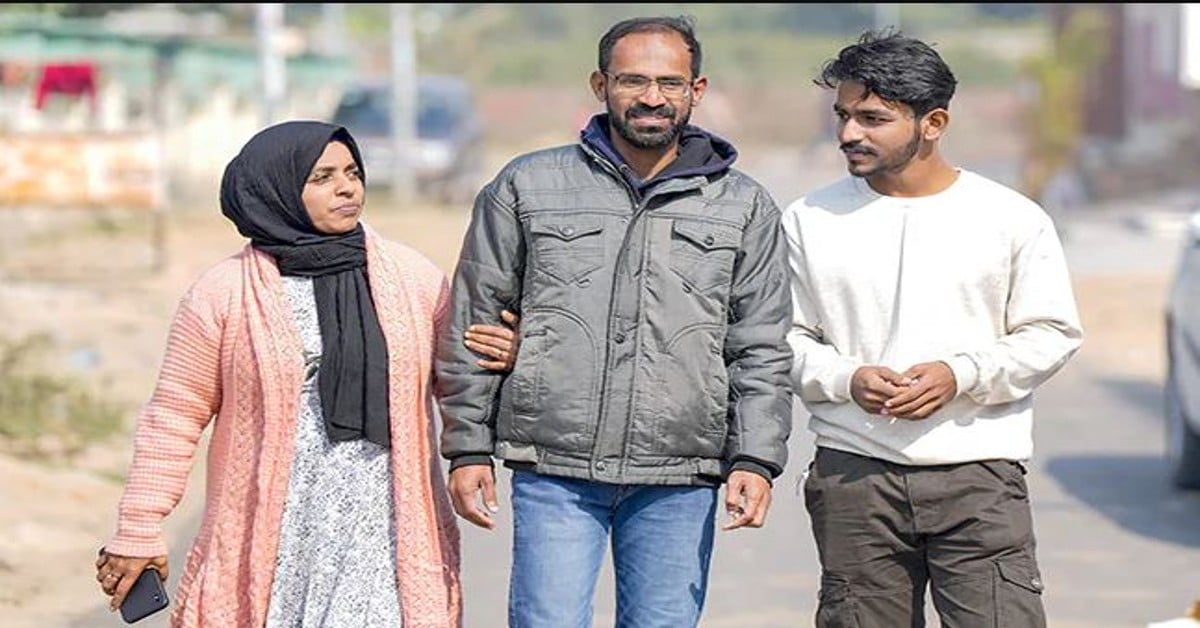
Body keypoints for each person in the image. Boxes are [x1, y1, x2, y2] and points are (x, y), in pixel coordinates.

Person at [433, 15, 794, 628]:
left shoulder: (743, 206)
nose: (652, 97)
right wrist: (467, 447)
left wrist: (754, 459)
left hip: (682, 474)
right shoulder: (526, 185)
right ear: (600, 84)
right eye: (633, 80)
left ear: (696, 90)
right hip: (555, 471)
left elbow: (759, 345)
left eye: (669, 83)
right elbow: (474, 323)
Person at [93, 120, 497, 627]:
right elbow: (174, 416)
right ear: (276, 190)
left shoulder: (411, 278)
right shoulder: (223, 294)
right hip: (277, 531)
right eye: (322, 177)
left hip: (384, 526)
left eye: (352, 172)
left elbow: (460, 377)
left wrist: (493, 381)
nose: (348, 188)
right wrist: (139, 526)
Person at [783, 30, 1084, 627]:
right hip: (854, 475)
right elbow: (782, 340)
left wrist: (960, 374)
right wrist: (847, 378)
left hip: (979, 478)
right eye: (843, 115)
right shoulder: (809, 218)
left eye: (872, 118)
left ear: (933, 122)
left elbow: (1051, 332)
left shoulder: (1010, 218)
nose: (848, 134)